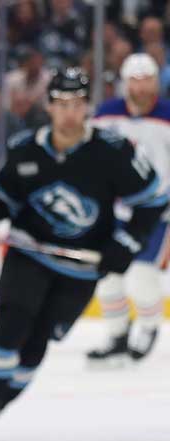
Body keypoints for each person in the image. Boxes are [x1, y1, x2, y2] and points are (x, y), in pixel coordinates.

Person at [0, 69, 167, 441]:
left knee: (37, 341)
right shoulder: (25, 148)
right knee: (11, 324)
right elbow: (0, 199)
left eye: (76, 105)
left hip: (81, 265)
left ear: (87, 108)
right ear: (49, 106)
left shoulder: (113, 152)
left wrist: (125, 244)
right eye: (61, 104)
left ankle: (1, 403)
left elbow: (153, 200)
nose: (68, 113)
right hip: (29, 252)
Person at [87, 53, 170, 364]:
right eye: (135, 80)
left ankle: (148, 327)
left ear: (156, 82)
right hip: (117, 213)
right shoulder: (106, 115)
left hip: (159, 214)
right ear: (125, 83)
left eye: (147, 79)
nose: (141, 87)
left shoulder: (167, 116)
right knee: (108, 276)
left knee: (142, 276)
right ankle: (117, 335)